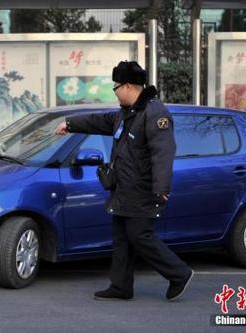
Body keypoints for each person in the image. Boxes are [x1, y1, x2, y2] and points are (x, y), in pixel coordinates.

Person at [54, 61, 194, 301]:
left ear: (128, 86)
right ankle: (120, 287)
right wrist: (71, 124)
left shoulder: (155, 113)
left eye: (116, 87)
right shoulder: (126, 114)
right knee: (121, 238)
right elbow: (99, 121)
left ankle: (179, 273)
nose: (115, 92)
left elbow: (163, 152)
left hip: (143, 190)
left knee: (140, 236)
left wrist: (161, 188)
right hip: (123, 189)